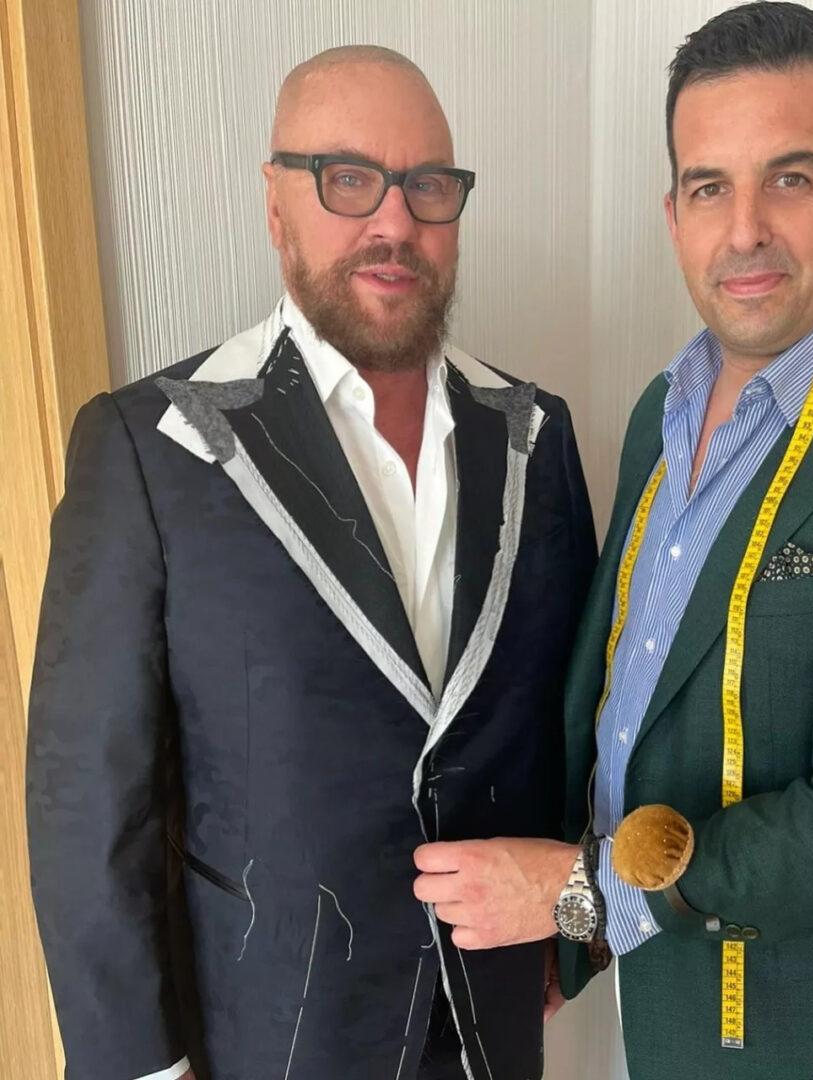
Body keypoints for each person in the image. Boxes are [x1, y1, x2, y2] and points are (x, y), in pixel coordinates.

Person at [411, 6, 813, 1079]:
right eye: (710, 187)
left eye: (789, 179)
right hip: (663, 1009)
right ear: (674, 215)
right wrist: (577, 932)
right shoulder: (663, 408)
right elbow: (630, 702)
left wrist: (579, 891)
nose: (745, 228)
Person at [27, 46, 594, 1080]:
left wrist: (572, 927)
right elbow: (89, 800)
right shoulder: (154, 446)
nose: (394, 222)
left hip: (494, 1019)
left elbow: (567, 710)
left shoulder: (535, 435)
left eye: (429, 185)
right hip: (275, 1033)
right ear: (276, 203)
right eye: (348, 179)